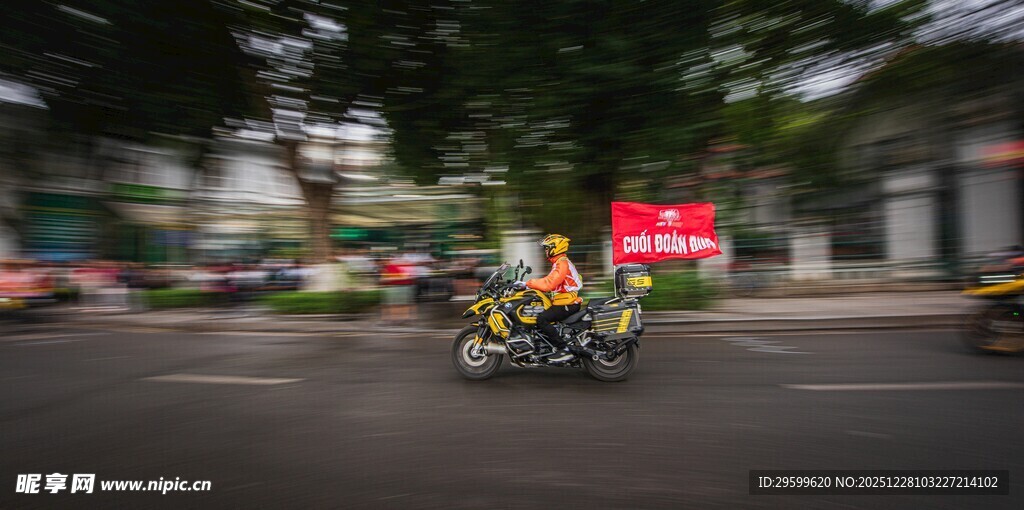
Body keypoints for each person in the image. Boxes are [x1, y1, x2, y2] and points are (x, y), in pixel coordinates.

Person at [517, 234, 583, 356]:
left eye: (547, 248)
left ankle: (563, 349)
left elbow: (549, 284)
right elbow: (550, 281)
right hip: (562, 301)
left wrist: (527, 284)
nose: (546, 251)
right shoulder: (559, 262)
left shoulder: (562, 264)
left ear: (555, 248)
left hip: (567, 303)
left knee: (542, 319)